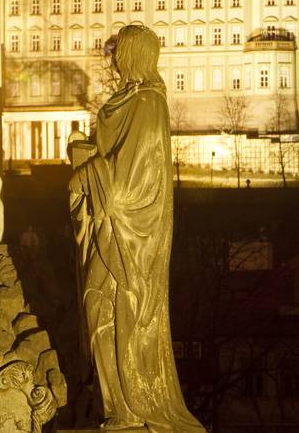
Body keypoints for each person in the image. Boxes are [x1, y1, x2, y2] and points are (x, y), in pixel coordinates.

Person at [69, 25, 203, 432]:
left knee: (115, 313)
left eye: (118, 52)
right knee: (98, 313)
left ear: (133, 55)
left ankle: (133, 408)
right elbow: (119, 163)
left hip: (129, 236)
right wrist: (89, 154)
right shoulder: (128, 102)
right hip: (113, 226)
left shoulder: (147, 103)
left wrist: (86, 169)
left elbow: (132, 182)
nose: (112, 60)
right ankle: (118, 408)